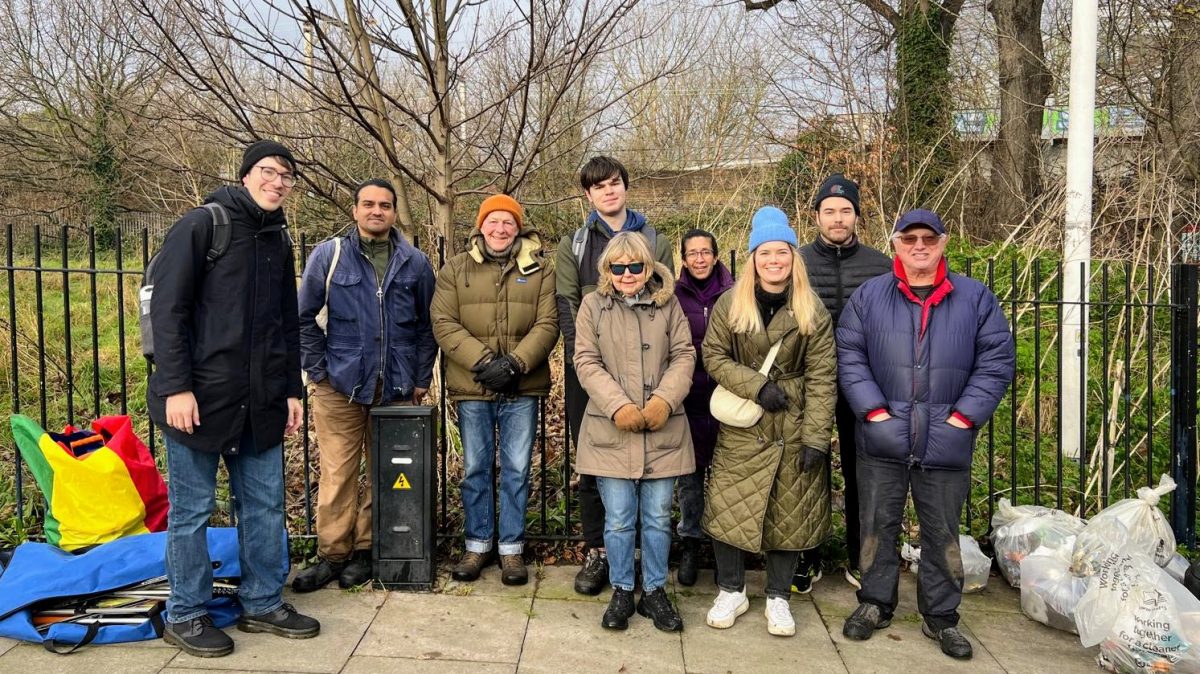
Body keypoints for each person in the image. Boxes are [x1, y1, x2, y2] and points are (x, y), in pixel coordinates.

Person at [148, 140, 319, 657]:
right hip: (198, 400)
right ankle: (186, 614)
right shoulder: (203, 225)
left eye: (287, 175)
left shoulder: (278, 237)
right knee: (193, 511)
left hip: (262, 400)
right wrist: (176, 386)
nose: (278, 182)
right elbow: (167, 313)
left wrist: (292, 388)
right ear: (246, 175)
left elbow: (286, 323)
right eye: (269, 171)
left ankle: (263, 602)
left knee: (265, 507)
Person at [837, 209, 1015, 660]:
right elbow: (850, 355)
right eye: (910, 238)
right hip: (882, 438)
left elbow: (996, 361)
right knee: (877, 526)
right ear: (895, 243)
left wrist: (963, 419)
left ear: (943, 243)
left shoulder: (975, 299)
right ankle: (874, 604)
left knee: (942, 533)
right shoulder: (869, 297)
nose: (919, 246)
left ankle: (941, 617)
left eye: (928, 239)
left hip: (946, 441)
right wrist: (874, 412)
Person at [293, 178, 438, 592]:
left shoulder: (415, 262)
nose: (377, 211)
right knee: (337, 472)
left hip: (395, 388)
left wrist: (420, 379)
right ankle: (332, 555)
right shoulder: (330, 255)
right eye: (369, 204)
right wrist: (319, 372)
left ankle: (367, 550)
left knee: (387, 474)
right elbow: (304, 318)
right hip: (339, 387)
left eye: (385, 205)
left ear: (394, 212)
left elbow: (428, 328)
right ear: (355, 210)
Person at [701, 206, 836, 637]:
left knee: (788, 511)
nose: (773, 261)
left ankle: (778, 597)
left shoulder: (811, 309)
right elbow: (713, 356)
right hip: (746, 420)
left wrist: (817, 437)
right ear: (754, 257)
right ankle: (731, 589)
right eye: (765, 253)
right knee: (728, 507)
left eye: (782, 252)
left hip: (792, 422)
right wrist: (755, 386)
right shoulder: (730, 302)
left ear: (793, 257)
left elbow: (822, 376)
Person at [555, 156, 675, 595]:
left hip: (648, 372)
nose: (608, 191)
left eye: (615, 183)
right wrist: (583, 361)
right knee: (593, 464)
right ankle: (597, 551)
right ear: (588, 195)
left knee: (650, 460)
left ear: (625, 187)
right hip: (591, 373)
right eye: (598, 186)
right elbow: (566, 303)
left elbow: (665, 297)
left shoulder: (654, 239)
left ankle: (640, 554)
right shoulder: (575, 243)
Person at [431, 194, 558, 586]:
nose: (500, 229)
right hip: (474, 385)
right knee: (476, 469)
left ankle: (511, 549)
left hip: (523, 386)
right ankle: (478, 543)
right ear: (480, 225)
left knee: (517, 470)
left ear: (518, 227)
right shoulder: (456, 269)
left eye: (508, 222)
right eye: (493, 221)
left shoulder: (540, 269)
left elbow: (548, 323)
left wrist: (516, 364)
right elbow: (444, 321)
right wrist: (485, 363)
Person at [574, 232, 695, 632]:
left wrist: (664, 399)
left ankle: (656, 590)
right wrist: (618, 405)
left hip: (663, 429)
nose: (627, 274)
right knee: (620, 518)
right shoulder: (594, 305)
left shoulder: (669, 304)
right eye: (618, 267)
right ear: (607, 269)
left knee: (659, 517)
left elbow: (684, 355)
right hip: (612, 430)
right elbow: (586, 361)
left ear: (648, 267)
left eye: (635, 266)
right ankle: (623, 588)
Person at [796, 174, 891, 592]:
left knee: (863, 474)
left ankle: (860, 556)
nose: (838, 218)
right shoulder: (797, 261)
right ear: (816, 216)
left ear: (856, 215)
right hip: (809, 384)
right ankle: (807, 555)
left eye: (845, 211)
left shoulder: (881, 266)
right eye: (830, 211)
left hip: (863, 385)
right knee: (807, 471)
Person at [672, 229, 734, 586]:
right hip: (689, 399)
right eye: (692, 253)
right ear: (683, 258)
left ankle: (726, 546)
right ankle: (691, 541)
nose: (699, 258)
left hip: (727, 400)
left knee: (726, 478)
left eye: (705, 252)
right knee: (691, 480)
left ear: (715, 256)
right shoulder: (673, 296)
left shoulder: (735, 292)